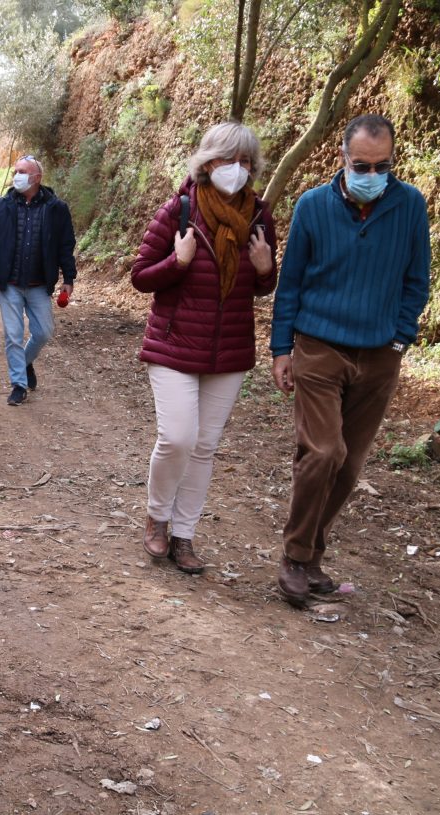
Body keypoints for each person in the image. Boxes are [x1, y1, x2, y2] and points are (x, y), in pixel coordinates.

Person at [270, 114, 430, 604]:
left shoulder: (409, 206)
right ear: (342, 157)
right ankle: (295, 558)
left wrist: (399, 339)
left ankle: (312, 556)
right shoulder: (312, 206)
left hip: (380, 355)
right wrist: (281, 348)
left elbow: (416, 280)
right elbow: (290, 282)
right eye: (362, 165)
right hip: (318, 347)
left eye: (384, 166)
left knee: (350, 464)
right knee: (323, 451)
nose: (372, 175)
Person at [130, 123, 277, 574]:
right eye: (229, 160)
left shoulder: (259, 216)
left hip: (228, 351)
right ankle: (158, 518)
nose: (238, 170)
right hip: (174, 345)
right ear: (208, 163)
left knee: (205, 446)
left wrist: (266, 268)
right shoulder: (178, 210)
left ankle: (185, 535)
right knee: (178, 438)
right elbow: (140, 276)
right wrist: (179, 261)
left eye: (246, 162)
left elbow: (264, 285)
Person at [0, 155, 75, 407]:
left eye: (23, 171)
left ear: (37, 177)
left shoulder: (56, 208)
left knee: (44, 332)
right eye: (15, 171)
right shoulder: (2, 205)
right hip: (10, 283)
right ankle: (18, 384)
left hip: (39, 284)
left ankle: (24, 363)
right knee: (13, 335)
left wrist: (68, 277)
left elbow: (65, 245)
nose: (17, 175)